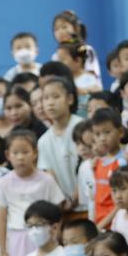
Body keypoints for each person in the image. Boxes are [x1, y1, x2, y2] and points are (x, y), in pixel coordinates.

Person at [0, 129, 65, 256]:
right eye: (15, 153)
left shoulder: (46, 180)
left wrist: (55, 237)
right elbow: (2, 219)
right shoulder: (3, 182)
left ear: (35, 153)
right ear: (7, 155)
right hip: (17, 238)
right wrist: (3, 252)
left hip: (44, 235)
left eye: (25, 152)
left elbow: (57, 213)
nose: (20, 157)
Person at [38, 77, 83, 215]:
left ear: (69, 99)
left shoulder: (82, 127)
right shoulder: (43, 141)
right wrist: (62, 200)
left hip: (89, 200)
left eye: (56, 96)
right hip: (65, 207)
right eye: (45, 98)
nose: (50, 103)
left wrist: (78, 193)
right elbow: (50, 175)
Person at [88, 108, 128, 229]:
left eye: (107, 132)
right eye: (97, 134)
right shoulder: (97, 163)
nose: (102, 138)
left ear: (120, 132)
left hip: (115, 224)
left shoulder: (122, 163)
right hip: (99, 223)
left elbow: (121, 201)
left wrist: (101, 225)